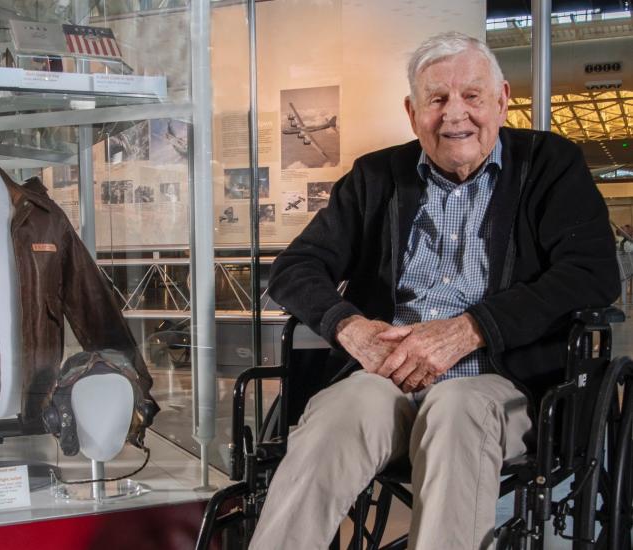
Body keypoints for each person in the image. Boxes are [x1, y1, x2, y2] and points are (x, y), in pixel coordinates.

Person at [251, 32, 619, 550]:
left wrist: (472, 329)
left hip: (498, 383)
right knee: (340, 409)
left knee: (455, 409)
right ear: (412, 110)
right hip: (387, 380)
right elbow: (295, 267)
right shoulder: (376, 176)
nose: (455, 115)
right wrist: (349, 327)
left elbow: (591, 273)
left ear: (502, 99)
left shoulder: (550, 165)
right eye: (437, 99)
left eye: (471, 96)